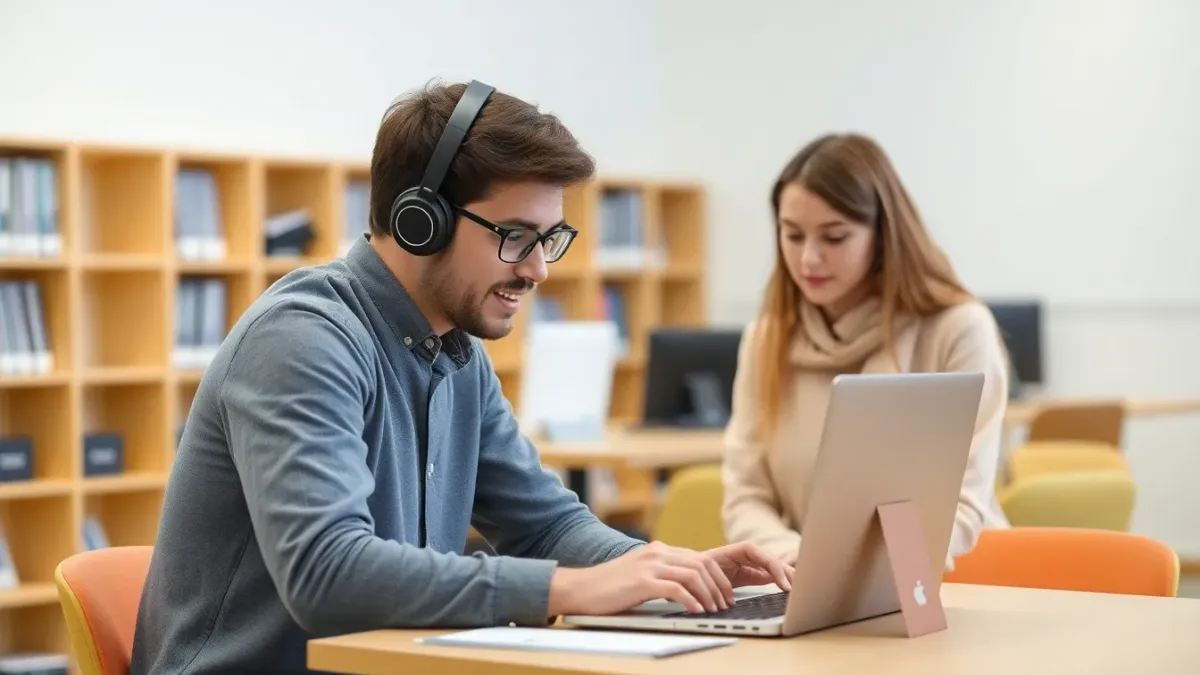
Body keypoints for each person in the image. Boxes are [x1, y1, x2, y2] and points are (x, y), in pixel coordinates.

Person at [129, 80, 792, 675]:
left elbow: (545, 526)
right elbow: (325, 572)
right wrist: (567, 588)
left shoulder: (456, 354)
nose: (537, 269)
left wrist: (671, 571)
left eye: (549, 239)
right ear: (421, 222)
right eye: (515, 235)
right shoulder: (303, 339)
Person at [721, 132, 1010, 570]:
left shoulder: (957, 329)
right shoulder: (766, 340)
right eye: (792, 235)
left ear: (883, 235)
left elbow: (964, 499)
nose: (809, 259)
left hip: (954, 578)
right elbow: (745, 497)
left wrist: (868, 568)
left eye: (834, 237)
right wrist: (795, 556)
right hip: (810, 582)